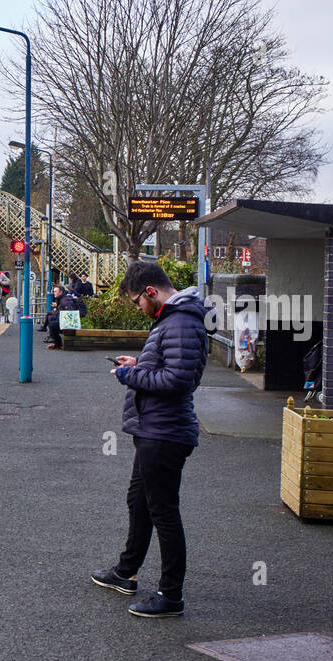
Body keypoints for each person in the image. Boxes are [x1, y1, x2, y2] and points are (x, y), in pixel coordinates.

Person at [90, 261, 208, 617]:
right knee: (138, 502)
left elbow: (178, 381)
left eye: (137, 302)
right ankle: (126, 572)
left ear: (151, 292)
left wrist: (131, 376)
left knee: (164, 512)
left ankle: (171, 595)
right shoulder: (172, 320)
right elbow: (169, 364)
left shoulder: (181, 321)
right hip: (153, 429)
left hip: (165, 433)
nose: (138, 310)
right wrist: (139, 361)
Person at [43, 283, 81, 350]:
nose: (53, 293)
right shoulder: (61, 298)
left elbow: (70, 310)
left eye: (55, 291)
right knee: (51, 318)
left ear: (60, 292)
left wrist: (59, 313)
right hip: (65, 320)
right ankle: (56, 343)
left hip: (70, 323)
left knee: (52, 325)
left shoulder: (65, 300)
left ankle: (58, 344)